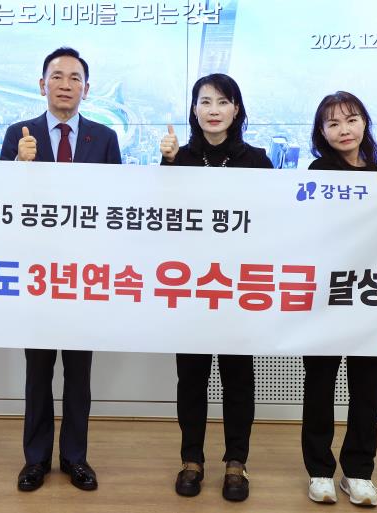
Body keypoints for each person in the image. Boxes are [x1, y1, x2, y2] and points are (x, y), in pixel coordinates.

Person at [0, 47, 121, 492]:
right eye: (57, 76)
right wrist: (19, 166)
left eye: (74, 78)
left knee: (78, 374)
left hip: (84, 275)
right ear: (42, 85)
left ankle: (75, 458)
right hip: (36, 272)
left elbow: (116, 204)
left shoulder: (104, 138)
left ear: (86, 89)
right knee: (37, 372)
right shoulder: (19, 134)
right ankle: (35, 460)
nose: (65, 84)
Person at [303, 90, 377, 507]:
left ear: (364, 123)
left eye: (351, 119)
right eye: (333, 123)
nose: (344, 129)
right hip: (327, 297)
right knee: (320, 385)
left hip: (371, 296)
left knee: (366, 388)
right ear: (322, 133)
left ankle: (358, 472)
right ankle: (320, 471)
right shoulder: (318, 172)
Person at [159, 73, 272, 502]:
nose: (213, 110)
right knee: (191, 378)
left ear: (236, 109)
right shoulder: (181, 158)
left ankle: (236, 463)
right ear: (194, 109)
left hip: (239, 289)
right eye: (204, 101)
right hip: (190, 287)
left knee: (238, 379)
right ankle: (191, 460)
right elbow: (158, 216)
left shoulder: (257, 160)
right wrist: (167, 165)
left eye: (222, 101)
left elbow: (274, 220)